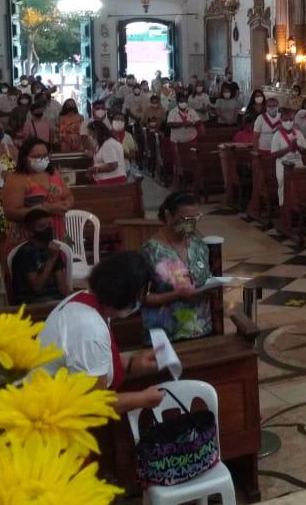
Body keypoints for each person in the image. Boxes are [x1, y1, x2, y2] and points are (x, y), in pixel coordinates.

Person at [39, 251, 165, 413]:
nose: (140, 303)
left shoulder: (89, 300)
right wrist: (142, 399)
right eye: (140, 296)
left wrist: (132, 364)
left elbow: (93, 361)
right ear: (122, 295)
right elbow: (95, 403)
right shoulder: (89, 327)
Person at [141, 192, 213, 342]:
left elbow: (206, 279)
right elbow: (141, 298)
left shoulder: (198, 245)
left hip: (202, 328)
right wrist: (176, 295)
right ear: (168, 216)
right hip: (167, 334)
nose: (191, 224)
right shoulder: (151, 251)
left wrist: (211, 287)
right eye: (186, 219)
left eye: (195, 218)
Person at [2, 137, 74, 264]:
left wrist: (67, 204)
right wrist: (45, 209)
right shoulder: (17, 180)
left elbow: (68, 195)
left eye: (45, 155)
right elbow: (11, 212)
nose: (42, 159)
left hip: (56, 231)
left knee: (57, 272)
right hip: (29, 236)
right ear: (25, 158)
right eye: (37, 156)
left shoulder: (54, 173)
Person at [10, 208, 71, 303]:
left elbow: (63, 288)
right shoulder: (26, 252)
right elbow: (36, 287)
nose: (48, 229)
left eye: (49, 225)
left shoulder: (51, 249)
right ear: (30, 232)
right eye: (42, 226)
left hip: (54, 301)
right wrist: (52, 258)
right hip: (32, 303)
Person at [270, 108, 306, 205]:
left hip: (298, 164)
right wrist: (288, 148)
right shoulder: (277, 135)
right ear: (281, 121)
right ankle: (284, 208)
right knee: (284, 185)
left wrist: (298, 148)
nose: (288, 122)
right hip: (283, 166)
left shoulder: (298, 134)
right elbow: (274, 155)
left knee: (300, 185)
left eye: (291, 120)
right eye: (286, 120)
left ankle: (297, 207)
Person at [85, 120, 127, 185]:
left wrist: (95, 169)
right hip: (105, 181)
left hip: (112, 182)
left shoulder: (108, 144)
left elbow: (113, 165)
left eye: (90, 134)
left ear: (96, 132)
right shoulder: (101, 144)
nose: (90, 137)